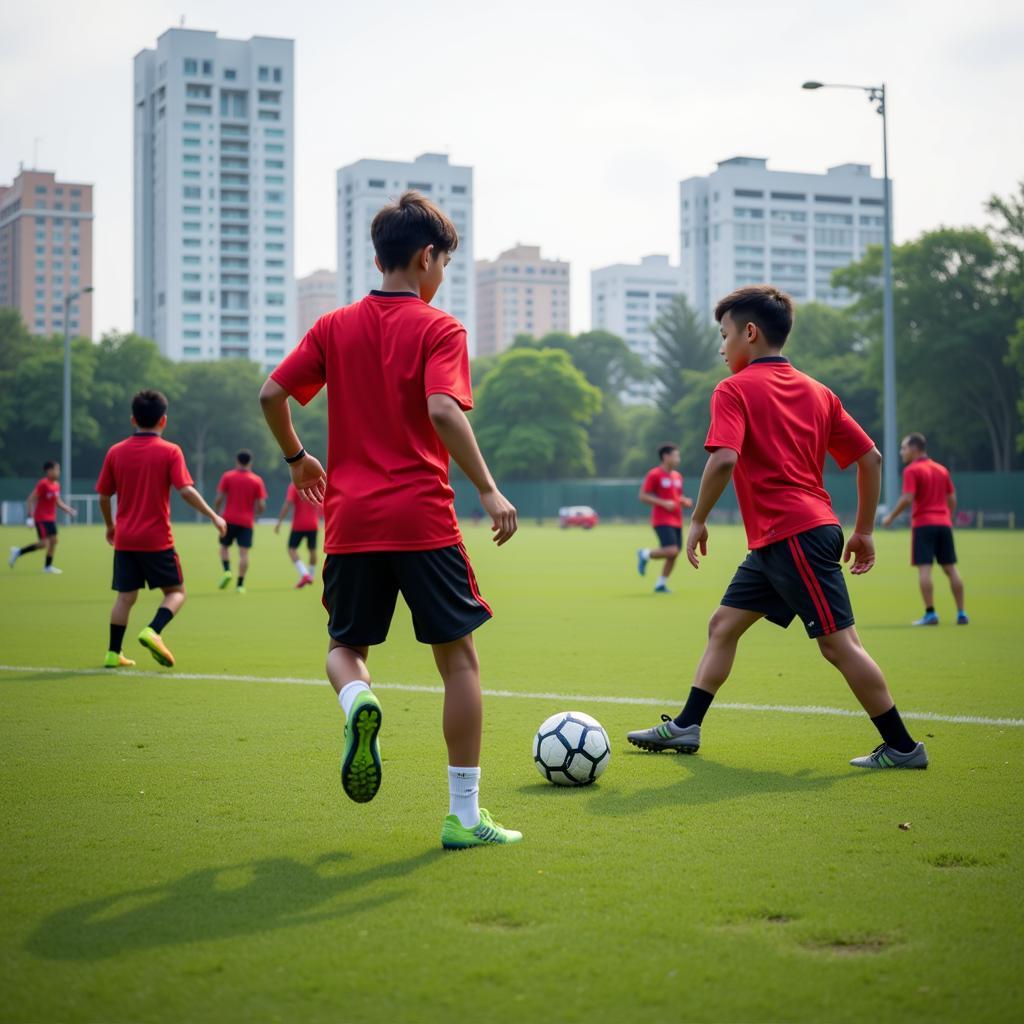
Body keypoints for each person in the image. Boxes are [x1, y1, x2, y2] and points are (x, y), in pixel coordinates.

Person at [259, 190, 522, 849]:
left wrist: (296, 459)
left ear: (379, 257)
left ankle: (357, 702)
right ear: (427, 257)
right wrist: (488, 490)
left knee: (346, 650)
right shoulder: (440, 327)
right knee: (458, 661)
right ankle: (464, 817)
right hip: (422, 520)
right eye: (444, 264)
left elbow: (271, 393)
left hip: (350, 523)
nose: (442, 276)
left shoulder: (333, 326)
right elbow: (441, 410)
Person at [627, 285, 928, 770]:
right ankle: (687, 725)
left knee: (838, 644)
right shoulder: (819, 392)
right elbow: (869, 458)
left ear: (750, 332)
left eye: (724, 336)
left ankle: (903, 746)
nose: (722, 347)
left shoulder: (733, 388)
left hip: (795, 536)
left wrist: (698, 518)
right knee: (723, 625)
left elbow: (724, 459)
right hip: (780, 540)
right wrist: (864, 529)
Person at [95, 390, 226, 669]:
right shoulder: (170, 451)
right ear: (163, 421)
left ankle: (112, 653)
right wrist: (214, 516)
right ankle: (153, 630)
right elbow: (186, 491)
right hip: (156, 539)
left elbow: (104, 496)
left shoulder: (115, 452)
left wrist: (110, 526)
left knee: (125, 597)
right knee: (177, 592)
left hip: (125, 538)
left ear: (133, 419)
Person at [882, 433, 968, 626]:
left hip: (923, 524)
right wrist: (947, 516)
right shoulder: (941, 469)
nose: (901, 452)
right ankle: (961, 613)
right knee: (951, 569)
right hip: (944, 524)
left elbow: (907, 498)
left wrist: (890, 517)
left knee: (925, 570)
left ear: (914, 448)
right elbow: (952, 499)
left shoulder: (912, 470)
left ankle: (930, 613)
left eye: (903, 448)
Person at [636, 443, 693, 593]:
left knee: (674, 553)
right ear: (665, 456)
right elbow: (643, 496)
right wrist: (662, 503)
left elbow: (676, 496)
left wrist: (683, 501)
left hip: (677, 520)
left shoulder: (677, 476)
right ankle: (644, 554)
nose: (678, 459)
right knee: (672, 550)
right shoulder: (654, 474)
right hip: (661, 519)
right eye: (676, 456)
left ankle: (660, 584)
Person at [8, 460, 77, 573]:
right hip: (41, 518)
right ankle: (18, 552)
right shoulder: (43, 484)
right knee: (44, 544)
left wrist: (67, 509)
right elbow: (30, 500)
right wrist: (30, 518)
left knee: (54, 541)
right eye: (57, 469)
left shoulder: (56, 485)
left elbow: (57, 501)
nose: (59, 472)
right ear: (49, 471)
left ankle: (47, 567)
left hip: (51, 518)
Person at [214, 450, 267, 594]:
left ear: (237, 461)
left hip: (228, 519)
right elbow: (261, 505)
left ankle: (227, 571)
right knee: (244, 554)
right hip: (246, 522)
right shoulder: (256, 480)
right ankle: (240, 585)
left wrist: (217, 513)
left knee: (224, 546)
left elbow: (219, 498)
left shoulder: (228, 476)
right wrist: (255, 514)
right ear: (250, 462)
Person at [274, 482, 321, 588]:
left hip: (299, 524)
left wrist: (279, 521)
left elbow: (288, 503)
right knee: (312, 550)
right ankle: (311, 576)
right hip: (313, 524)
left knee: (291, 549)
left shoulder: (295, 485)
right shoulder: (315, 484)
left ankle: (304, 574)